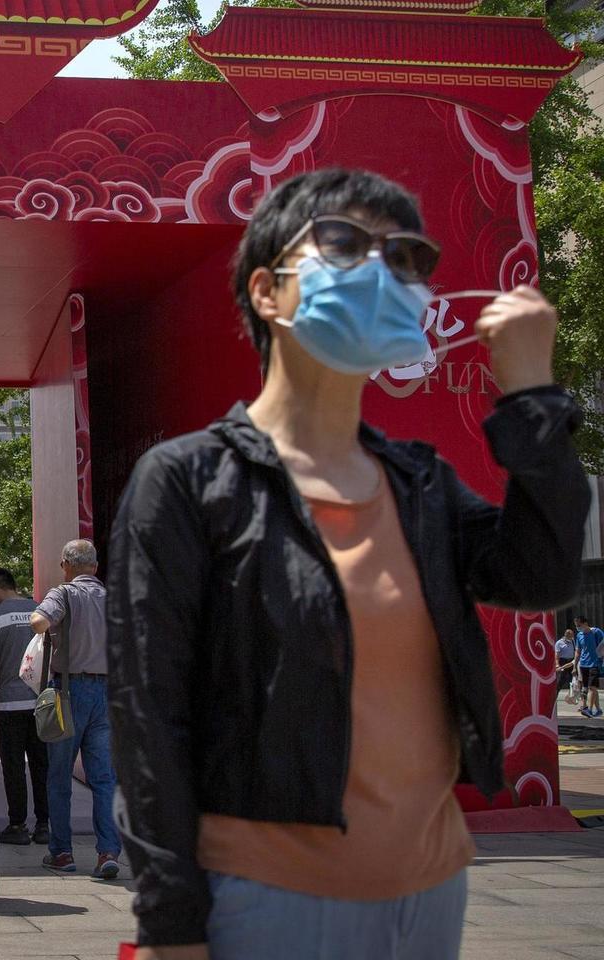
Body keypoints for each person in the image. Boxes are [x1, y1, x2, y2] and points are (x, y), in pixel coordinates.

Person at [107, 168, 583, 959]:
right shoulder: (191, 482)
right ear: (267, 290)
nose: (382, 270)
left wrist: (531, 396)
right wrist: (171, 924)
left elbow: (542, 575)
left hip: (433, 890)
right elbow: (148, 717)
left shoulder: (422, 483)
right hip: (267, 903)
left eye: (406, 257)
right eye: (345, 242)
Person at [31, 539, 119, 879]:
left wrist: (50, 628)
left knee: (59, 776)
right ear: (95, 567)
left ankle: (62, 852)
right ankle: (108, 851)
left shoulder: (64, 593)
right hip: (107, 692)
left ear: (66, 565)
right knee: (103, 778)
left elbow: (39, 622)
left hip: (69, 692)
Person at [0, 567, 48, 847]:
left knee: (13, 767)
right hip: (40, 702)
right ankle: (45, 824)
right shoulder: (39, 609)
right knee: (41, 765)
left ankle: (18, 825)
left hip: (9, 703)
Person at [578, 616, 604, 718]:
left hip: (595, 663)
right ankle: (598, 709)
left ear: (585, 623)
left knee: (592, 687)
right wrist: (576, 665)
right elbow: (578, 650)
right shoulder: (579, 635)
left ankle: (588, 708)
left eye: (579, 625)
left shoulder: (596, 632)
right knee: (588, 688)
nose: (578, 627)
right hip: (583, 664)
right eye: (576, 626)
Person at [557, 627, 579, 707]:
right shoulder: (559, 643)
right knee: (560, 681)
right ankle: (554, 696)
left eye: (573, 635)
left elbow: (575, 652)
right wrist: (557, 665)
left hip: (571, 661)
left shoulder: (573, 641)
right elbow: (557, 655)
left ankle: (570, 697)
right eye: (571, 635)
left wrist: (574, 666)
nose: (572, 637)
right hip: (563, 661)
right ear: (566, 635)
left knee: (573, 681)